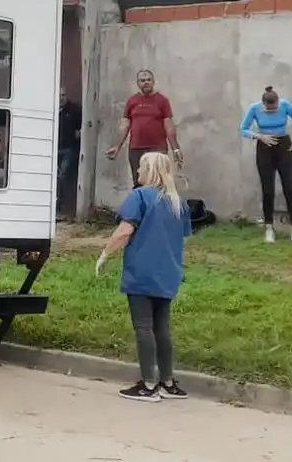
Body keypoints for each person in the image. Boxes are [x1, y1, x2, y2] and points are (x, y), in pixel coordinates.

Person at [95, 152, 193, 402]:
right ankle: (168, 382)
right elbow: (181, 238)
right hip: (168, 272)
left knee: (144, 328)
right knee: (163, 328)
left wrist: (105, 254)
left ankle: (149, 385)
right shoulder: (178, 203)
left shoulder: (139, 197)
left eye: (140, 168)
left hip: (142, 271)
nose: (137, 172)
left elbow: (124, 231)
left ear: (149, 171)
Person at [240, 86, 292, 243]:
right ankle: (269, 228)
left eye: (275, 109)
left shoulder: (285, 105)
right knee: (268, 190)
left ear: (278, 103)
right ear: (263, 104)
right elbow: (243, 129)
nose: (272, 111)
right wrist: (259, 136)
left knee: (290, 188)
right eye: (269, 109)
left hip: (283, 145)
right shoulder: (254, 109)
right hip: (264, 146)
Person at [106, 70, 182, 188]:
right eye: (142, 80)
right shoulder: (132, 101)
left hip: (158, 149)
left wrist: (176, 149)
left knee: (158, 183)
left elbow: (169, 126)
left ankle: (156, 207)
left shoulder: (162, 101)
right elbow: (124, 126)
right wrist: (116, 147)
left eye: (148, 80)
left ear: (153, 82)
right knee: (139, 183)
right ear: (138, 83)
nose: (146, 82)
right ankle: (141, 206)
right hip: (136, 149)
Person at [58, 88, 83, 214]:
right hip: (53, 148)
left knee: (64, 176)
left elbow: (82, 127)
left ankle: (66, 207)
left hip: (69, 149)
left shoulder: (74, 109)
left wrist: (77, 135)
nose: (61, 97)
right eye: (58, 95)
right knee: (54, 178)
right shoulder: (51, 109)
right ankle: (56, 205)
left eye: (63, 95)